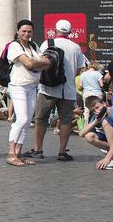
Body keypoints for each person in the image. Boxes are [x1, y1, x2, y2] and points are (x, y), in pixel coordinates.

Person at [29, 19, 87, 161]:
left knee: (41, 118)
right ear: (70, 32)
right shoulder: (75, 47)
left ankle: (38, 149)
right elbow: (79, 69)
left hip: (48, 88)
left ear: (55, 31)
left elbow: (40, 62)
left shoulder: (47, 43)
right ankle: (62, 152)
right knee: (66, 120)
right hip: (68, 89)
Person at [2, 20, 49, 166]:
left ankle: (18, 153)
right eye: (23, 31)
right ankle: (11, 153)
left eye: (29, 31)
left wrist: (36, 62)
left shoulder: (34, 45)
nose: (26, 34)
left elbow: (48, 62)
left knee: (28, 121)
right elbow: (30, 64)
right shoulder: (14, 46)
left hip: (32, 85)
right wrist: (38, 62)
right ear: (17, 32)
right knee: (21, 119)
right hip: (18, 86)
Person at [80, 95, 113, 170]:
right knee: (89, 136)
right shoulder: (98, 115)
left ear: (104, 103)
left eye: (97, 107)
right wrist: (96, 121)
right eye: (93, 110)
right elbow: (81, 134)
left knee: (106, 122)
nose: (97, 111)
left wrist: (107, 158)